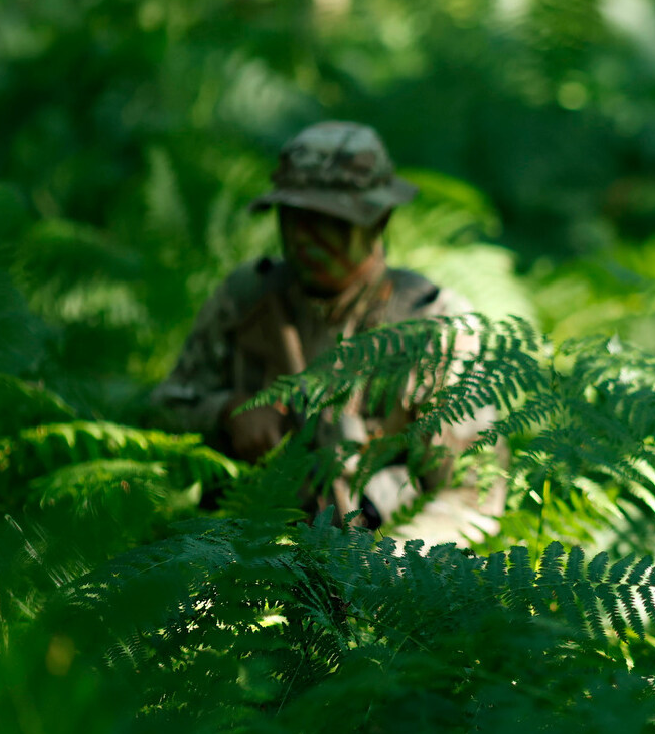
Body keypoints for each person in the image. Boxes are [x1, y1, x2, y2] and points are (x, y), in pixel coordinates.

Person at [153, 121, 501, 545]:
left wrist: (389, 566)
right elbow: (158, 417)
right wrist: (226, 412)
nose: (305, 238)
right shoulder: (247, 297)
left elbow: (471, 496)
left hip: (381, 570)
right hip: (237, 551)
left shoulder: (436, 329)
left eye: (329, 221)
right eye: (294, 218)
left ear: (379, 217)